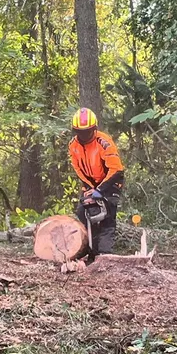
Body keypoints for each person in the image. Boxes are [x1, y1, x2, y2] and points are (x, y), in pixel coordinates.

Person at [68, 107, 125, 255]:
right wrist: (89, 188)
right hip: (90, 183)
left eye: (86, 131)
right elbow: (77, 168)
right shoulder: (73, 145)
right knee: (83, 213)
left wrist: (100, 190)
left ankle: (105, 254)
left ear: (94, 128)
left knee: (107, 217)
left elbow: (116, 169)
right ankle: (90, 252)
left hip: (110, 183)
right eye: (80, 132)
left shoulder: (103, 142)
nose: (83, 135)